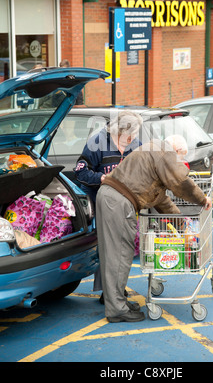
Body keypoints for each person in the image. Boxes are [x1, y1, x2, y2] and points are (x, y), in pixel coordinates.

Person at [96, 135, 212, 323]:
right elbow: (180, 182)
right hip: (118, 201)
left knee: (112, 253)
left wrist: (182, 225)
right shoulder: (164, 150)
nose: (179, 163)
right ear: (175, 150)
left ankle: (116, 301)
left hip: (110, 196)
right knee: (119, 255)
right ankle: (117, 309)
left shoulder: (151, 151)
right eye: (180, 158)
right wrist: (202, 199)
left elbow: (161, 200)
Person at [74, 110, 143, 296]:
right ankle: (109, 292)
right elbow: (81, 172)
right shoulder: (97, 143)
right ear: (119, 131)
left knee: (121, 247)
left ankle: (114, 289)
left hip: (122, 202)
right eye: (131, 134)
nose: (134, 138)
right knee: (108, 247)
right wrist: (102, 178)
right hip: (98, 201)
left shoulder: (135, 144)